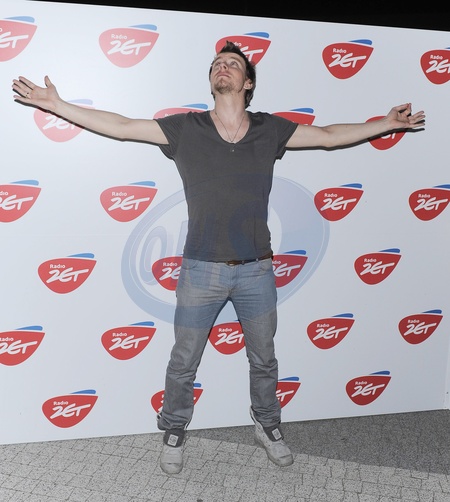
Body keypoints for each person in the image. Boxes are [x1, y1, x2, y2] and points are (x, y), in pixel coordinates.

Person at [12, 41, 425, 475]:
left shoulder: (269, 129)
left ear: (247, 83)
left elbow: (326, 136)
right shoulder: (187, 128)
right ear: (212, 81)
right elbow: (123, 126)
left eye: (232, 64)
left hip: (257, 270)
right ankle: (174, 429)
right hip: (200, 269)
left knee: (264, 359)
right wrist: (58, 105)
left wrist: (384, 123)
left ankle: (267, 425)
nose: (222, 68)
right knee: (184, 360)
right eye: (216, 64)